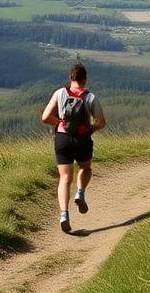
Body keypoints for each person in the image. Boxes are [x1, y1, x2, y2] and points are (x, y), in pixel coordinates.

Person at [41, 63, 106, 233]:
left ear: (71, 78)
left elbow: (45, 117)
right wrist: (90, 128)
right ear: (84, 79)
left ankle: (64, 214)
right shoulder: (90, 97)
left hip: (62, 138)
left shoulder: (59, 93)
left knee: (64, 178)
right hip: (82, 139)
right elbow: (101, 123)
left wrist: (60, 123)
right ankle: (80, 193)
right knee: (85, 167)